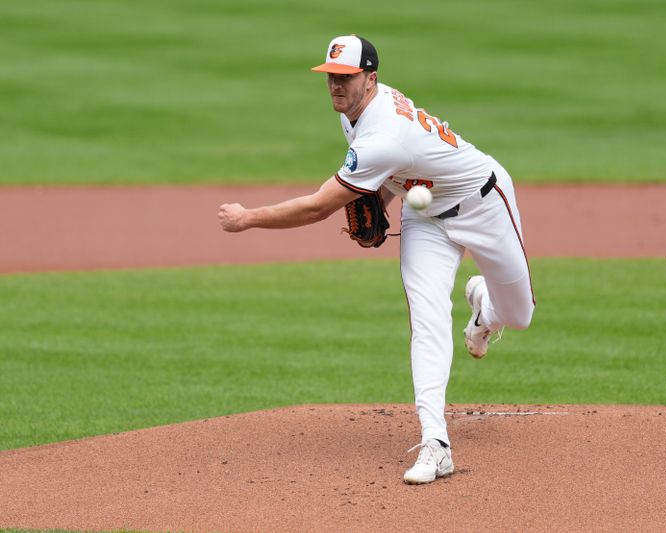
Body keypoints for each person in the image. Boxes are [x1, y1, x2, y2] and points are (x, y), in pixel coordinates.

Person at [218, 35, 535, 484]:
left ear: (371, 78)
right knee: (427, 319)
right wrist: (384, 200)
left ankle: (487, 308)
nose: (335, 86)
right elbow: (395, 172)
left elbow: (317, 207)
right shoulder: (357, 115)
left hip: (484, 203)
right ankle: (436, 443)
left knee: (519, 316)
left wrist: (249, 218)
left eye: (346, 78)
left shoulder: (381, 133)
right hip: (425, 215)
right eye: (330, 77)